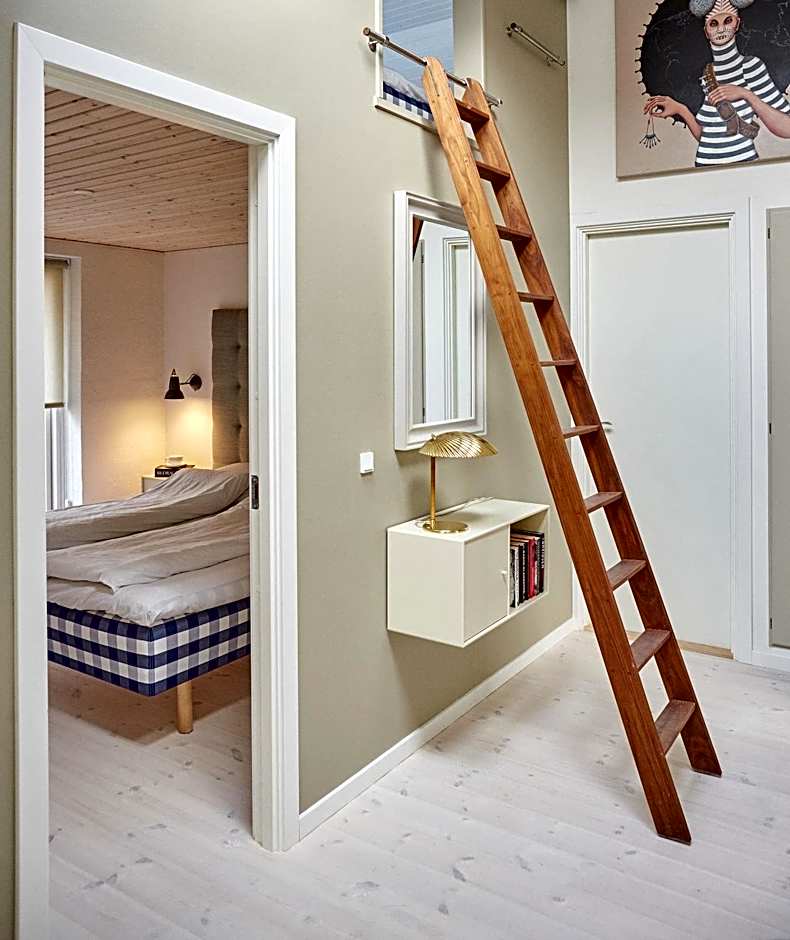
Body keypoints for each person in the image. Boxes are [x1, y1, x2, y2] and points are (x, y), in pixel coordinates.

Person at [644, 0, 790, 166]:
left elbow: (787, 128)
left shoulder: (750, 66)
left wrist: (745, 94)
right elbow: (708, 138)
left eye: (728, 20)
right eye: (713, 23)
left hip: (743, 167)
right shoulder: (708, 73)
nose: (721, 29)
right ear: (706, 31)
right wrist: (680, 109)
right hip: (704, 168)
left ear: (737, 24)